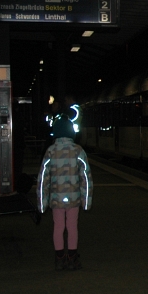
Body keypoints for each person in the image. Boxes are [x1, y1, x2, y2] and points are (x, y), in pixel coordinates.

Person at [37, 114, 93, 271]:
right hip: (74, 197)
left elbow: (43, 179)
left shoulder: (50, 151)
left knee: (58, 226)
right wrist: (86, 202)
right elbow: (86, 177)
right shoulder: (78, 151)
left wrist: (42, 204)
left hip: (56, 198)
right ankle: (73, 257)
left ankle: (59, 258)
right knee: (72, 226)